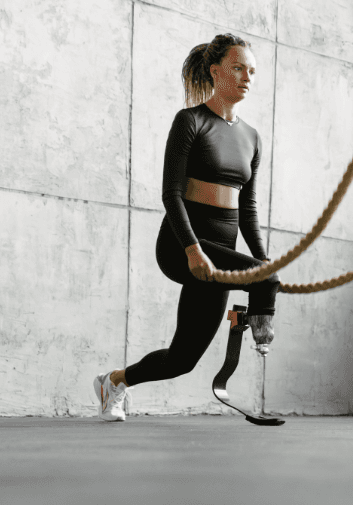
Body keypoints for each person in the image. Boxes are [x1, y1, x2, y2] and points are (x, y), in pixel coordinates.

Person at [94, 33, 281, 422]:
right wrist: (194, 249)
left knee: (182, 360)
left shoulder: (252, 137)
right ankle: (263, 334)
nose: (247, 76)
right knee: (266, 282)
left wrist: (261, 258)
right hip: (182, 246)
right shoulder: (190, 121)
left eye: (252, 71)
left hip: (220, 254)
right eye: (237, 68)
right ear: (215, 71)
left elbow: (247, 209)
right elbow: (171, 194)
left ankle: (114, 381)